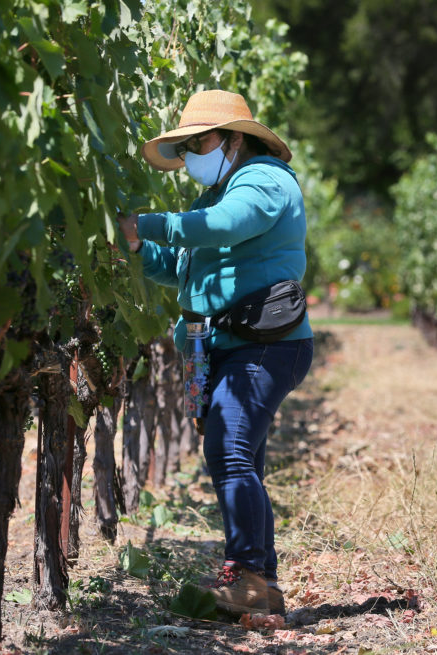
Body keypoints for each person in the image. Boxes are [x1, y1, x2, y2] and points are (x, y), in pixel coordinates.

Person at [117, 90, 313, 616]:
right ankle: (261, 583)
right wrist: (138, 245)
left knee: (229, 450)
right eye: (183, 148)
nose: (189, 157)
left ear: (233, 139)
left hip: (267, 343)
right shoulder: (214, 196)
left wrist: (153, 221)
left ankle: (248, 574)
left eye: (197, 142)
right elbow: (181, 267)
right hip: (217, 344)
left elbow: (227, 226)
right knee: (239, 455)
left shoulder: (264, 179)